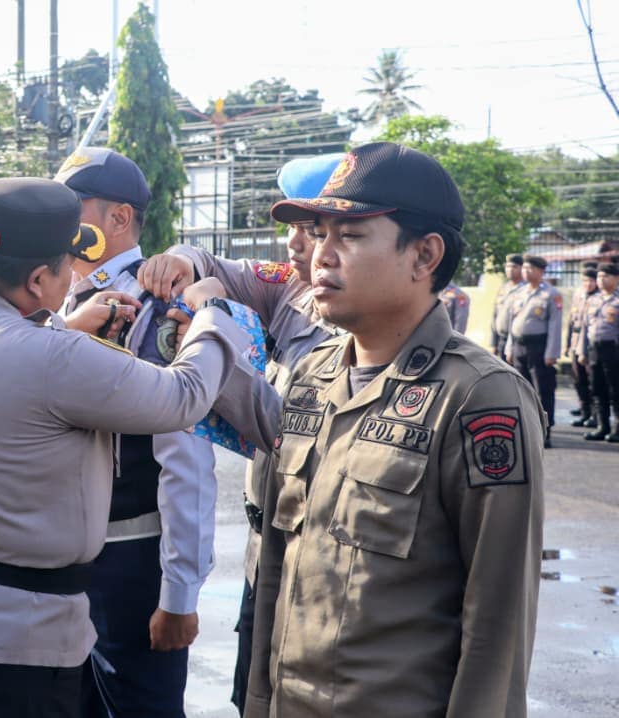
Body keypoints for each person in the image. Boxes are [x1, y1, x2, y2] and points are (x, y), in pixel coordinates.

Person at [0, 177, 270, 718]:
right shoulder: (56, 357)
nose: (74, 278)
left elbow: (4, 357)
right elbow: (184, 396)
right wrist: (214, 311)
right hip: (5, 647)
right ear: (38, 279)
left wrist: (65, 326)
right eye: (66, 268)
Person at [247, 142, 544, 717]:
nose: (321, 255)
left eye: (351, 235)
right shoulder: (311, 378)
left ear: (424, 255)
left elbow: (498, 621)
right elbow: (274, 571)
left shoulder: (480, 397)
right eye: (319, 233)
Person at [55, 147, 278, 718]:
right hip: (66, 559)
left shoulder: (159, 309)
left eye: (73, 207)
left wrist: (179, 591)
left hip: (130, 563)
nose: (60, 221)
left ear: (119, 218)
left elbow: (185, 461)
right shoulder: (64, 304)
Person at [135, 152, 344, 716]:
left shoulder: (360, 324)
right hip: (266, 545)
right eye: (294, 229)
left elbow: (290, 432)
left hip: (319, 551)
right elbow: (208, 264)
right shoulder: (292, 289)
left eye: (314, 230)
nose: (296, 245)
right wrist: (178, 262)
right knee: (255, 695)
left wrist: (212, 333)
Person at [505, 255, 562, 446]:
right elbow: (512, 322)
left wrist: (551, 353)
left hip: (539, 347)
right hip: (519, 346)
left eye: (530, 269)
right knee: (521, 390)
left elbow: (555, 325)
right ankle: (525, 431)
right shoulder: (519, 292)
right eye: (525, 268)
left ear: (541, 271)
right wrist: (509, 347)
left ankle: (545, 432)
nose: (526, 272)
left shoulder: (551, 294)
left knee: (542, 391)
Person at [583, 263, 619, 442]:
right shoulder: (593, 300)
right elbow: (585, 327)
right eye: (599, 276)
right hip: (594, 350)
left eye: (606, 276)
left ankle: (617, 429)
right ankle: (602, 426)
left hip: (613, 349)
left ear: (617, 279)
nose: (601, 280)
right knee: (597, 389)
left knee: (615, 390)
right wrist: (582, 351)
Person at [568, 263, 600, 427]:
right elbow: (571, 322)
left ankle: (596, 416)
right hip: (576, 343)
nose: (588, 284)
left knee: (593, 382)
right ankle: (585, 412)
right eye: (585, 281)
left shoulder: (600, 298)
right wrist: (567, 345)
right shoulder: (578, 295)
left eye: (591, 281)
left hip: (590, 344)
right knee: (578, 380)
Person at [492, 253, 526, 361]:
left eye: (514, 267)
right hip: (501, 339)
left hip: (517, 342)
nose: (510, 270)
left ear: (522, 269)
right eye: (508, 266)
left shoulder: (526, 290)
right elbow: (495, 316)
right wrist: (493, 343)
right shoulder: (503, 289)